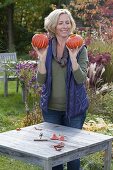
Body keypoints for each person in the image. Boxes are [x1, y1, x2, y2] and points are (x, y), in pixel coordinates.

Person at [33, 8, 89, 170]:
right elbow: (40, 80)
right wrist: (42, 59)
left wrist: (73, 57)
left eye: (67, 22)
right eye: (60, 23)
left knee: (72, 154)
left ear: (71, 25)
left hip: (75, 109)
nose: (65, 26)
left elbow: (80, 79)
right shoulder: (46, 46)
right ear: (53, 26)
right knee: (54, 154)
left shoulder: (80, 48)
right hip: (51, 109)